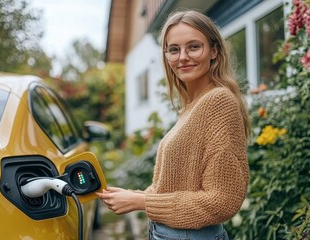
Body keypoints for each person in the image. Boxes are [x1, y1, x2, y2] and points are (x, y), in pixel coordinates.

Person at [96, 9, 251, 240]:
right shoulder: (192, 106)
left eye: (194, 47)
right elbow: (176, 185)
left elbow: (223, 200)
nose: (183, 57)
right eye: (174, 50)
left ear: (214, 51)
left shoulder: (218, 101)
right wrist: (134, 195)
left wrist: (142, 201)